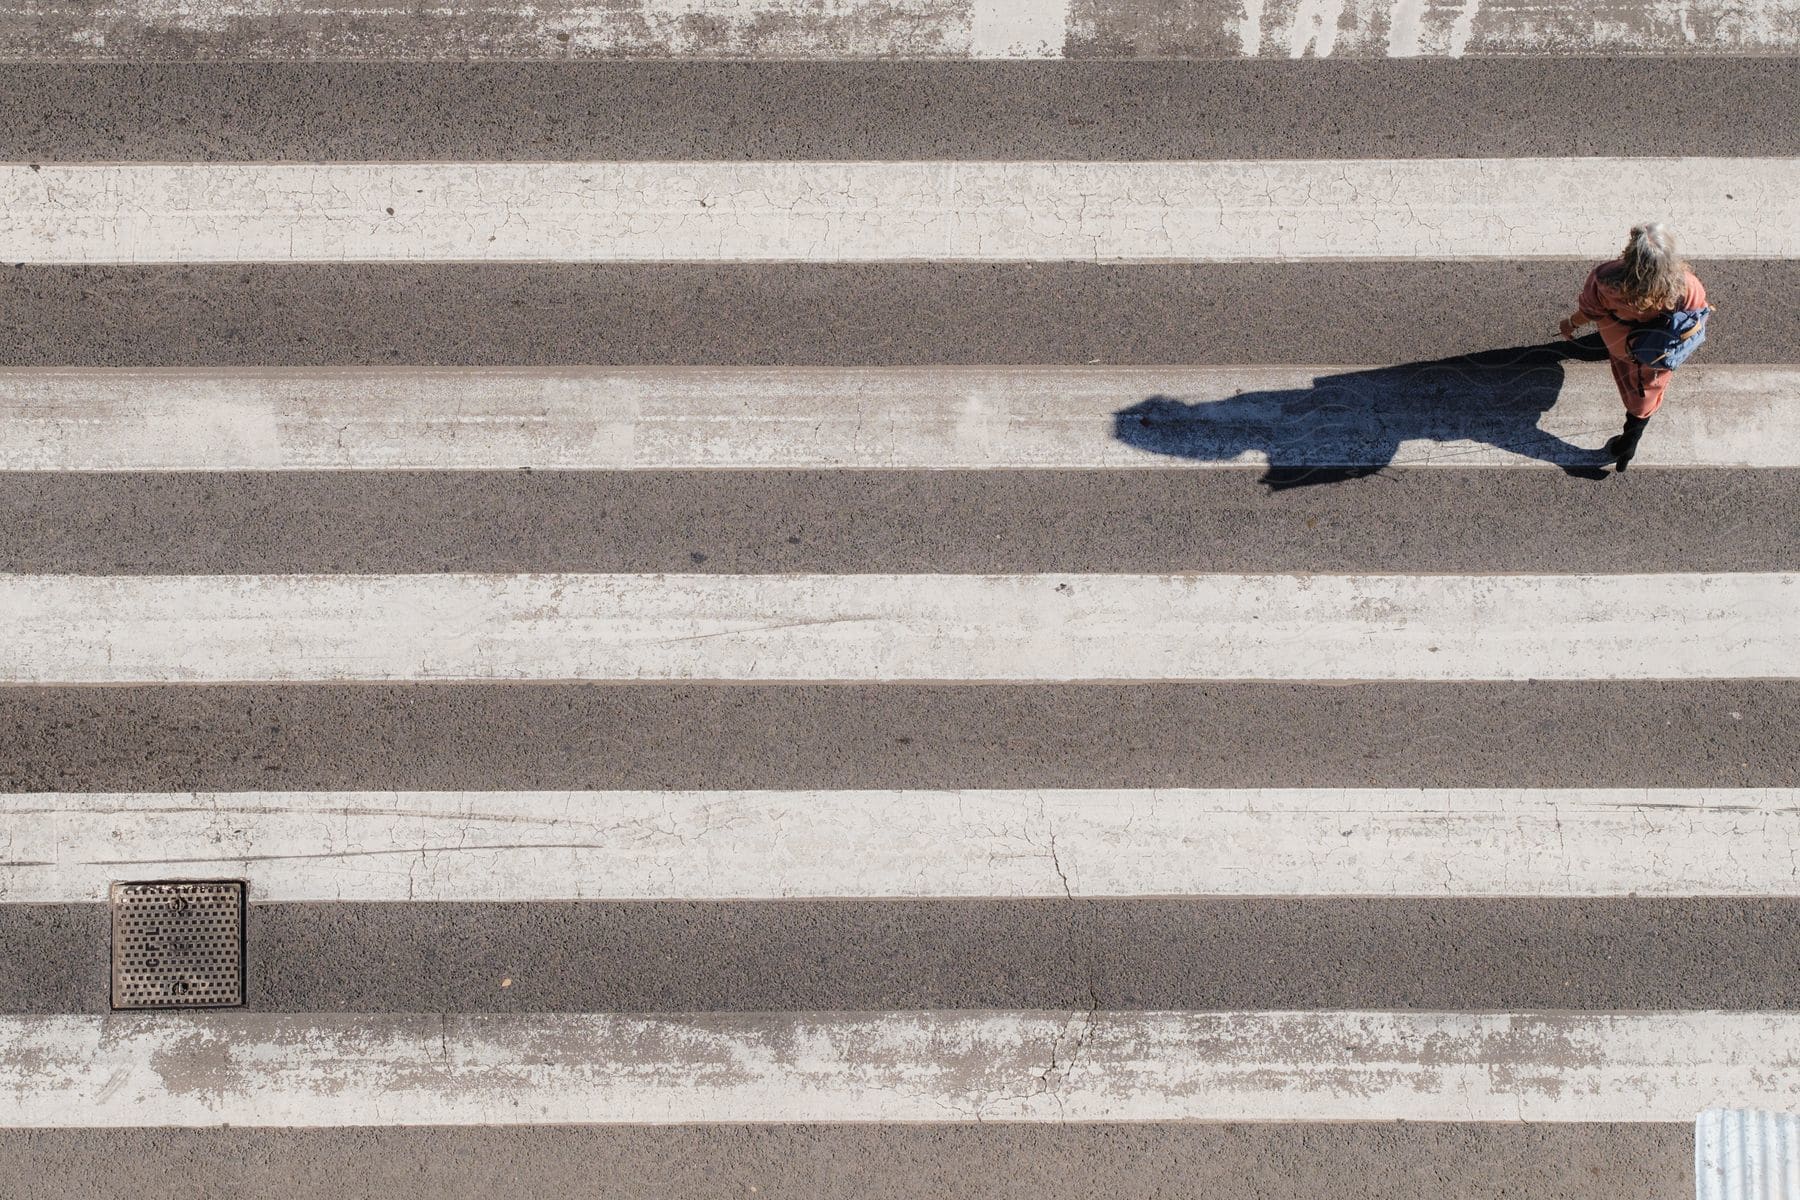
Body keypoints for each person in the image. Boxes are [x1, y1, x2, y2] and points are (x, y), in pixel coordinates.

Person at [1559, 223, 1708, 471]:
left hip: (1618, 341)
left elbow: (1589, 311)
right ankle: (1629, 440)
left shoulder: (1605, 278)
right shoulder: (1686, 286)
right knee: (1645, 388)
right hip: (1652, 350)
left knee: (1624, 368)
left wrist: (1570, 324)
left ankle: (1628, 442)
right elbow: (1696, 314)